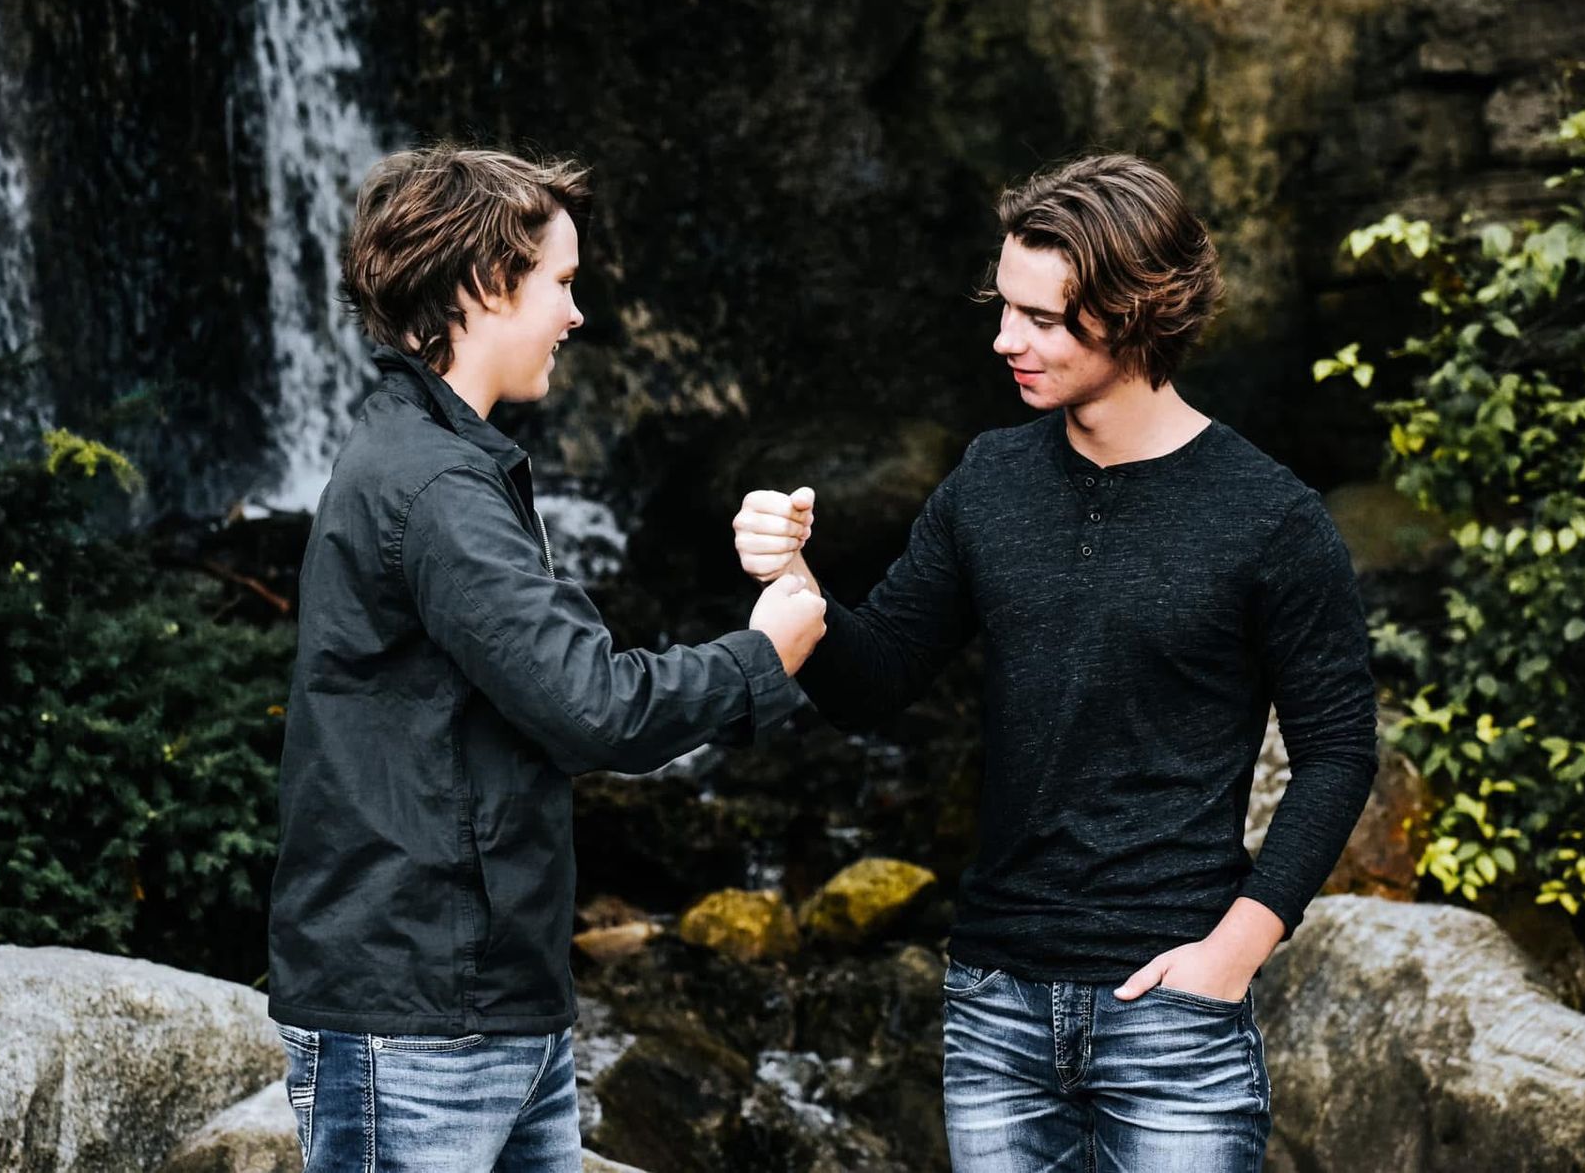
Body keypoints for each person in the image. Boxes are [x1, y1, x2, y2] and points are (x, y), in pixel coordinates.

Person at [732, 153, 1378, 1172]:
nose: (1004, 338)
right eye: (1004, 307)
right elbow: (877, 676)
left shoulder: (1271, 518)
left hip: (1172, 1014)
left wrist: (1235, 950)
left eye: (1040, 317)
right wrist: (794, 580)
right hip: (996, 1009)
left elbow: (1338, 753)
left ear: (1136, 310)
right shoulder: (990, 480)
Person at [267, 142, 825, 1172]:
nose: (576, 314)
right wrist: (762, 654)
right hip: (418, 1024)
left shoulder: (439, 460)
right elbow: (591, 704)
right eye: (561, 283)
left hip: (489, 1008)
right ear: (486, 284)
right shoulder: (435, 487)